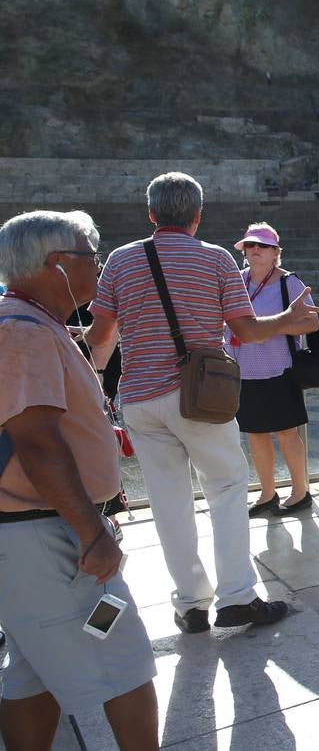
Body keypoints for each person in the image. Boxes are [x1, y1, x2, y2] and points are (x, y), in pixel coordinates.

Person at [86, 173, 319, 634]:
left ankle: (190, 604)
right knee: (227, 488)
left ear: (151, 214)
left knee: (168, 501)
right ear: (197, 216)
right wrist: (288, 319)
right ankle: (237, 597)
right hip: (201, 397)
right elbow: (247, 331)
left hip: (138, 397)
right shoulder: (214, 260)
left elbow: (100, 340)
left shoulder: (120, 260)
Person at [0, 211, 159, 750]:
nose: (98, 264)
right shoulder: (22, 331)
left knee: (32, 670)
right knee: (127, 661)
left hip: (35, 535)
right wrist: (92, 532)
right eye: (91, 254)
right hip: (50, 539)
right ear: (57, 265)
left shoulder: (33, 323)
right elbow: (38, 443)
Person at [224, 224, 312, 516]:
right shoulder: (236, 281)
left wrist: (270, 328)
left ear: (276, 252)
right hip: (242, 371)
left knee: (287, 433)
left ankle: (300, 493)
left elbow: (312, 323)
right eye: (250, 245)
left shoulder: (290, 283)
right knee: (255, 434)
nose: (255, 250)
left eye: (262, 246)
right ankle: (267, 494)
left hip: (279, 370)